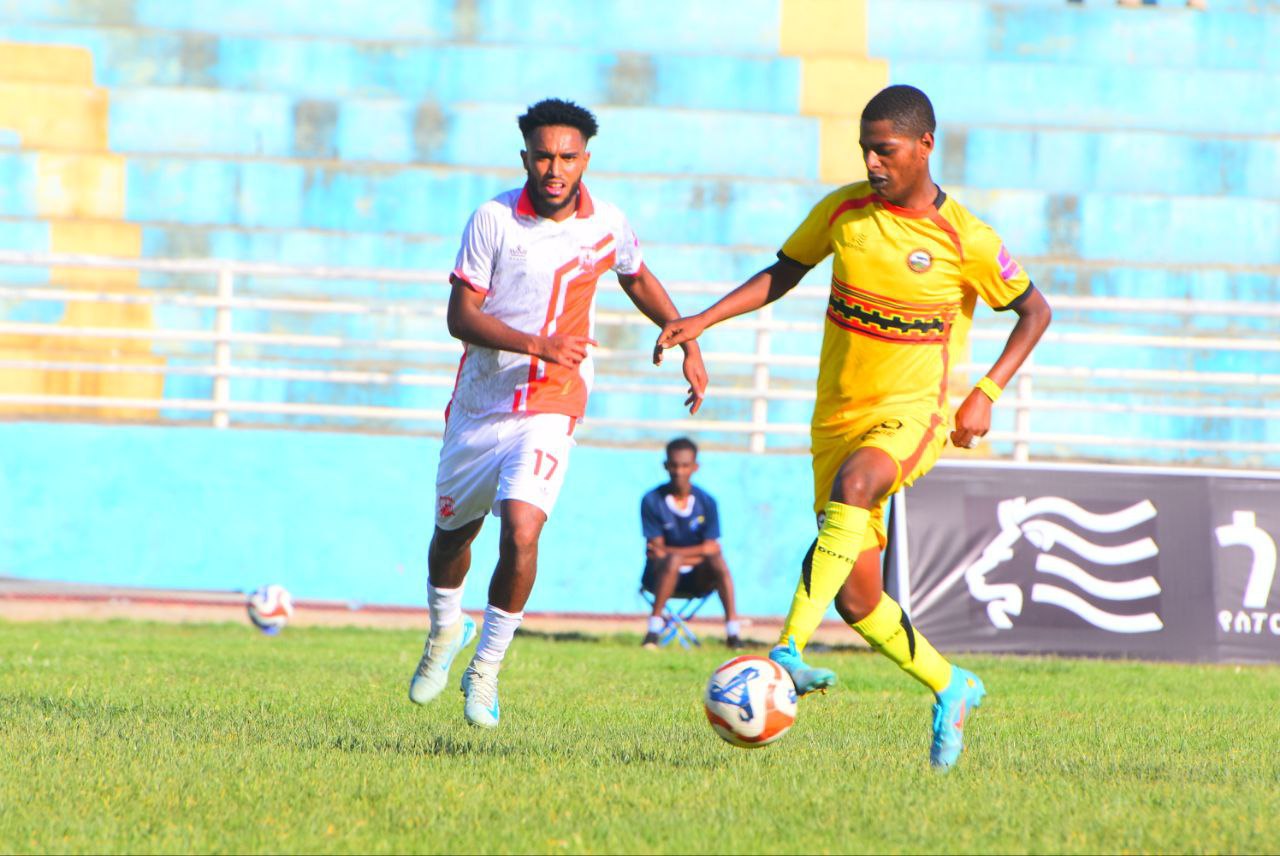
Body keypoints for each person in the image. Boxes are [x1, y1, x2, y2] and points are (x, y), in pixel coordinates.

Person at [655, 85, 1052, 770]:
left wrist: (985, 393)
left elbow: (1035, 312)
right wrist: (703, 321)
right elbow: (784, 272)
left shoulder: (968, 238)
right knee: (859, 597)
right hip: (834, 419)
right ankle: (950, 685)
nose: (871, 162)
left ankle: (787, 650)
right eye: (865, 149)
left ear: (925, 146)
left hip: (914, 414)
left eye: (884, 150)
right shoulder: (844, 211)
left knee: (860, 482)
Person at [409, 98, 708, 729]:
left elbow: (635, 275)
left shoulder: (607, 223)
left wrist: (687, 338)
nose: (555, 168)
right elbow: (460, 317)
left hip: (554, 401)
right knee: (451, 539)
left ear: (585, 160)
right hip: (481, 403)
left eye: (567, 157)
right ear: (525, 157)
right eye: (543, 156)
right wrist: (537, 344)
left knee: (522, 530)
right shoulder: (493, 219)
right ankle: (445, 630)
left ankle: (486, 667)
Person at [640, 437, 742, 649]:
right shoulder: (651, 500)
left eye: (685, 465)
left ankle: (733, 633)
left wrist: (676, 554)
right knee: (674, 561)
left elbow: (713, 549)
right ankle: (653, 631)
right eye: (674, 465)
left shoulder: (707, 502)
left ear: (695, 467)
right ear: (666, 466)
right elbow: (657, 552)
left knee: (718, 562)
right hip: (658, 577)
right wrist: (700, 551)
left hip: (698, 579)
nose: (679, 471)